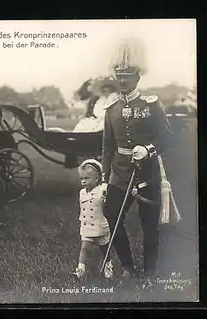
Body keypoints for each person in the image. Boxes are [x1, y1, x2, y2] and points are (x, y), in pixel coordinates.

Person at [100, 38, 174, 289]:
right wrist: (103, 179)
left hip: (148, 174)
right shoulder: (111, 109)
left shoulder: (152, 105)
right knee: (111, 215)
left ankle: (150, 272)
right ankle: (129, 268)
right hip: (120, 175)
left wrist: (148, 149)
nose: (122, 81)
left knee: (149, 224)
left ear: (138, 77)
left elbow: (167, 139)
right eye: (119, 76)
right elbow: (107, 148)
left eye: (127, 76)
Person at [72, 159, 114, 280]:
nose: (83, 181)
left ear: (96, 179)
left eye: (86, 178)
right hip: (87, 225)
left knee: (104, 248)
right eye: (81, 179)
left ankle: (108, 264)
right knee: (84, 247)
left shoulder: (102, 191)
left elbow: (108, 205)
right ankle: (80, 270)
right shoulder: (81, 193)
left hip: (100, 224)